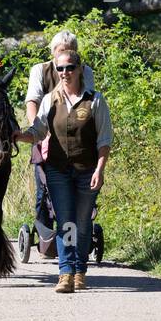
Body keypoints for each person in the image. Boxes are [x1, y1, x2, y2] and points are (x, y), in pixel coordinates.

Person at [15, 49, 112, 293]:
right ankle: (66, 272)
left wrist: (99, 170)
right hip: (58, 171)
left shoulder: (95, 100)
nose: (65, 73)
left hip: (87, 169)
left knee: (82, 222)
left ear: (80, 69)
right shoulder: (50, 100)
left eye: (69, 68)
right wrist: (20, 136)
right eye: (60, 69)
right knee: (65, 222)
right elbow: (37, 131)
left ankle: (80, 269)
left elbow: (104, 140)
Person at [25, 31, 95, 229]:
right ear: (53, 52)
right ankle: (45, 230)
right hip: (45, 131)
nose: (64, 57)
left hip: (75, 137)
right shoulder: (40, 70)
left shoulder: (84, 71)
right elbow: (32, 100)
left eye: (70, 51)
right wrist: (38, 131)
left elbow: (88, 100)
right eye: (60, 51)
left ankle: (79, 230)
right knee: (44, 187)